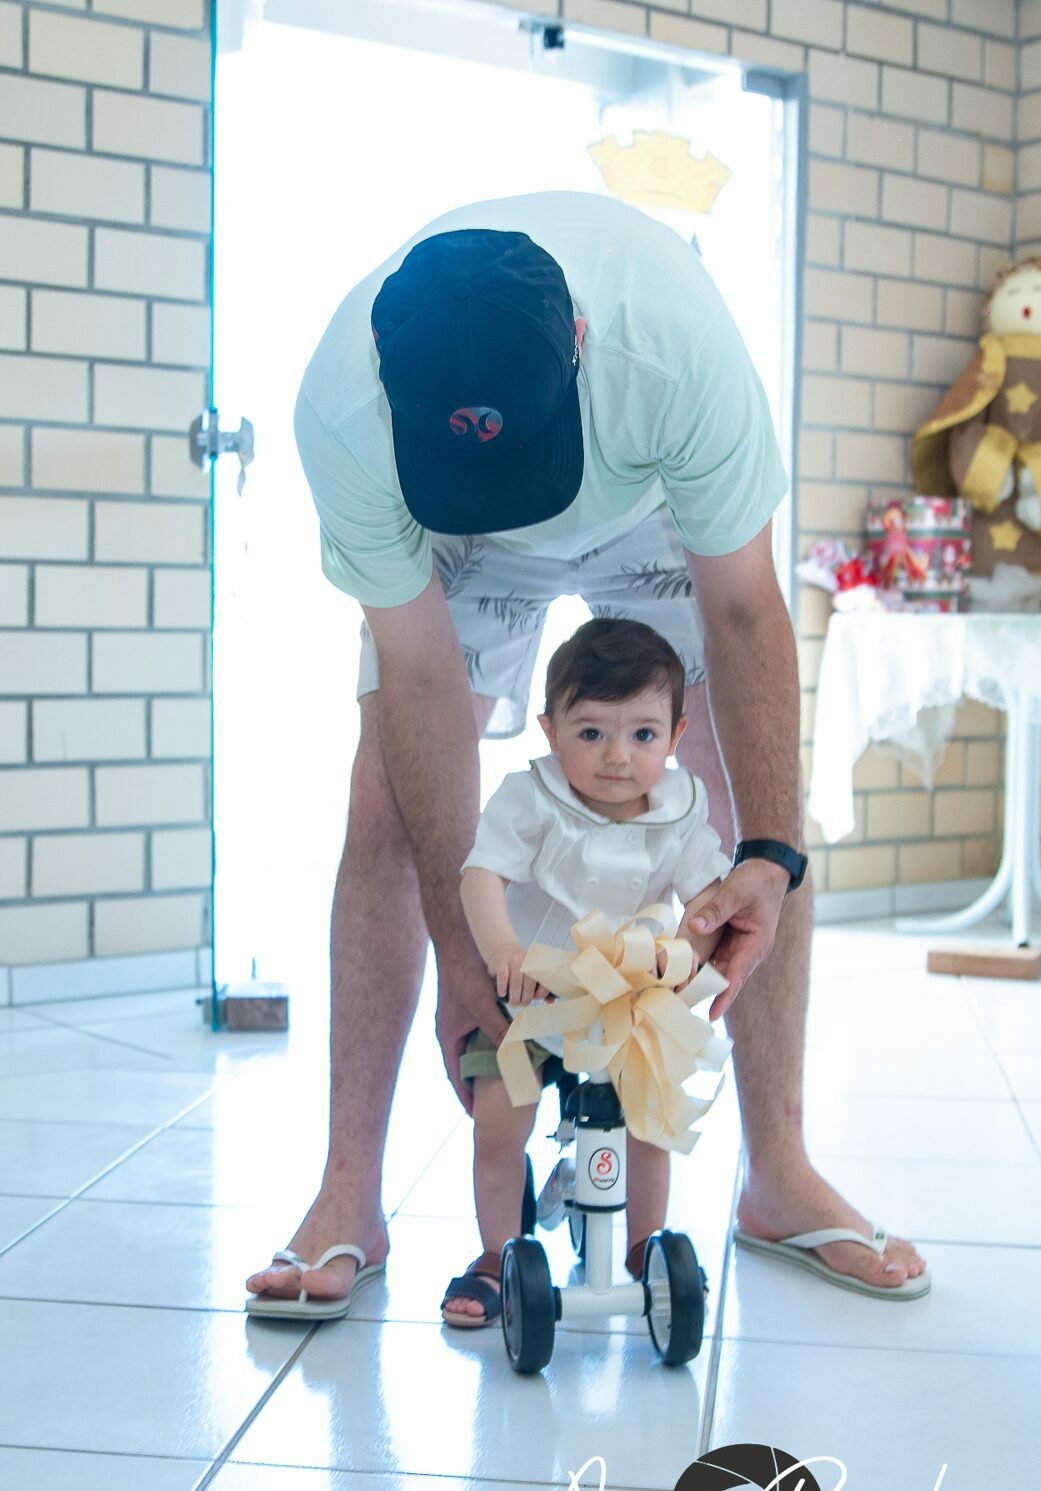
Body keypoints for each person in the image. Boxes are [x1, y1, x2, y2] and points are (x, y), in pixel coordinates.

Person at [245, 192, 929, 1321]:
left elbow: (746, 612)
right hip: (448, 529)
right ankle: (346, 1194)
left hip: (644, 500)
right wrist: (464, 943)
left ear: (578, 342)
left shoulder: (672, 348)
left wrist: (769, 855)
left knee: (745, 795)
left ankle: (779, 1174)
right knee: (383, 802)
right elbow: (419, 677)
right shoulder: (345, 415)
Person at [441, 617, 730, 1327]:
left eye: (643, 734)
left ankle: (644, 1246)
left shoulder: (680, 808)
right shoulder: (533, 796)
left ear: (676, 735)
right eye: (591, 732)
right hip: (529, 995)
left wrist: (684, 953)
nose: (616, 757)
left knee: (650, 1118)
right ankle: (495, 1253)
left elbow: (708, 902)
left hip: (626, 1000)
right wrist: (503, 950)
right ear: (549, 730)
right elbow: (482, 874)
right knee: (499, 1118)